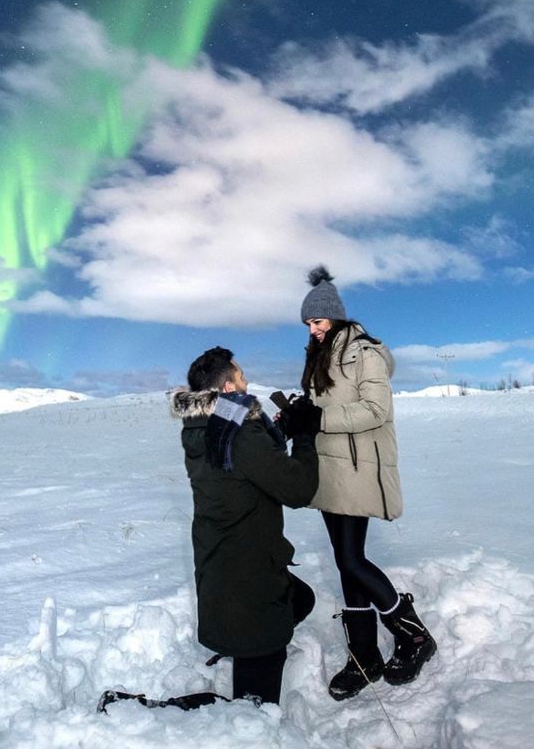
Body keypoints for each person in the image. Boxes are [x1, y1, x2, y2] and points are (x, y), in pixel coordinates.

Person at [297, 266, 437, 701]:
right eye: (308, 324)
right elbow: (324, 405)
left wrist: (319, 417)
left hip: (358, 469)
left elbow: (375, 410)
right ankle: (364, 655)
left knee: (353, 560)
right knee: (344, 562)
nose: (313, 330)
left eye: (318, 321)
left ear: (335, 317)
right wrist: (300, 417)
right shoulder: (320, 355)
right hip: (329, 471)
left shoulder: (365, 353)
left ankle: (413, 635)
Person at [169, 345, 320, 706]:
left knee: (301, 599)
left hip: (225, 558)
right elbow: (297, 489)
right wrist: (305, 437)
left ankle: (244, 648)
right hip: (246, 569)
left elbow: (246, 463)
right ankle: (235, 711)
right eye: (240, 375)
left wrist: (282, 427)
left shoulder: (208, 427)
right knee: (256, 706)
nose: (247, 380)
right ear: (226, 390)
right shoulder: (236, 434)